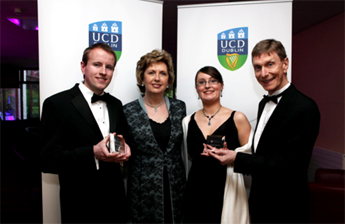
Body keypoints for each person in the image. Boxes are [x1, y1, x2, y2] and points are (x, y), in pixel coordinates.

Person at [208, 39, 321, 223]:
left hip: (286, 209)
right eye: (257, 67)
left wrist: (236, 158)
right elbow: (264, 151)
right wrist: (234, 151)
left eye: (270, 64)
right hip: (260, 204)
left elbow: (289, 166)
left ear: (285, 64)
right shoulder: (263, 104)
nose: (264, 73)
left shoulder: (305, 108)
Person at [40, 43, 132, 223]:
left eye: (109, 67)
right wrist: (92, 152)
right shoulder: (57, 104)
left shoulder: (116, 104)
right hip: (79, 205)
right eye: (97, 64)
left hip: (114, 202)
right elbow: (47, 160)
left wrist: (126, 150)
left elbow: (122, 141)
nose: (103, 71)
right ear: (83, 66)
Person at [182, 66, 252, 223]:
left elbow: (251, 158)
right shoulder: (187, 122)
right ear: (197, 89)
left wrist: (233, 157)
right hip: (196, 190)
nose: (207, 85)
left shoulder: (238, 118)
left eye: (213, 80)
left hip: (227, 188)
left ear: (221, 86)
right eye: (202, 82)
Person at [123, 49, 187, 223]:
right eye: (151, 72)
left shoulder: (180, 108)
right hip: (143, 191)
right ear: (142, 78)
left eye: (162, 73)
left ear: (169, 80)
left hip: (176, 187)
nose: (157, 78)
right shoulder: (127, 111)